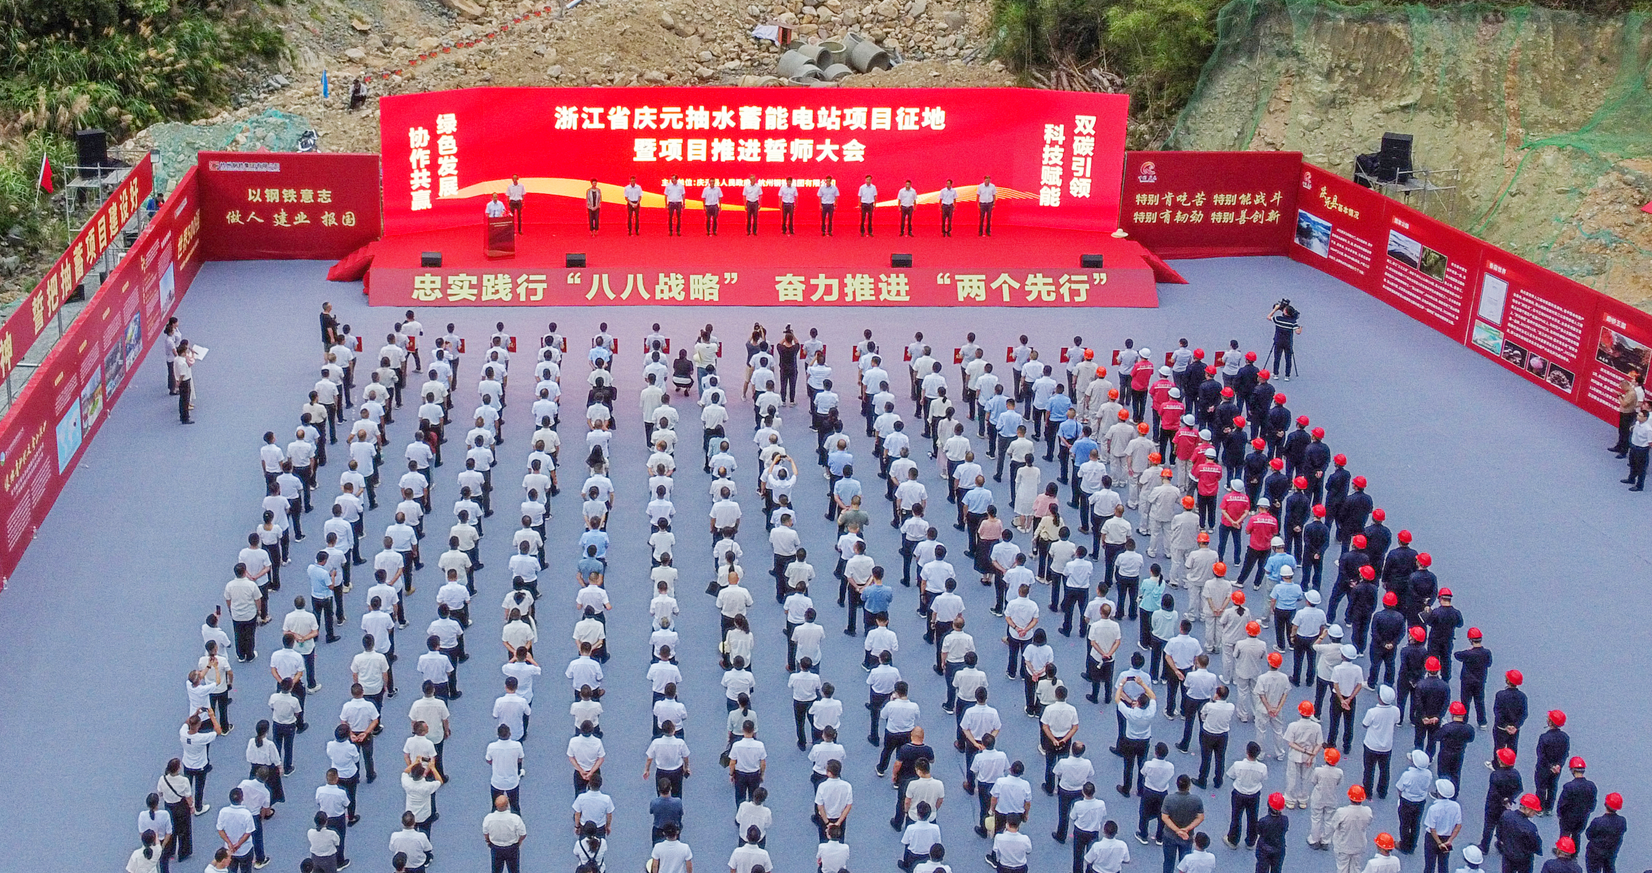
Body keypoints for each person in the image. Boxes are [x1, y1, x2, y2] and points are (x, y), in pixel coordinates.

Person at [483, 793, 527, 873]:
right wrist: (519, 842)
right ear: (507, 805)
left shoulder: (488, 818)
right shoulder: (515, 818)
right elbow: (523, 834)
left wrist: (488, 841)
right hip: (512, 848)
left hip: (496, 848)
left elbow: (486, 833)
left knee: (496, 870)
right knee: (514, 870)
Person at [1267, 299, 1302, 380]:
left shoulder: (1278, 319)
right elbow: (1298, 332)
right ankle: (1287, 376)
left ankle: (1275, 374)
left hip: (1278, 341)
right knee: (1288, 359)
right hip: (1288, 343)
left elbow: (1268, 317)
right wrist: (1300, 328)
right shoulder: (1293, 322)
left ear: (1285, 312)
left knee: (1277, 358)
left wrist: (1275, 309)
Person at [176, 339, 198, 424]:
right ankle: (185, 418)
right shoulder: (183, 363)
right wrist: (179, 382)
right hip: (184, 381)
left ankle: (182, 415)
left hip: (181, 381)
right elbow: (182, 374)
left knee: (182, 399)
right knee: (185, 400)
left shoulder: (177, 359)